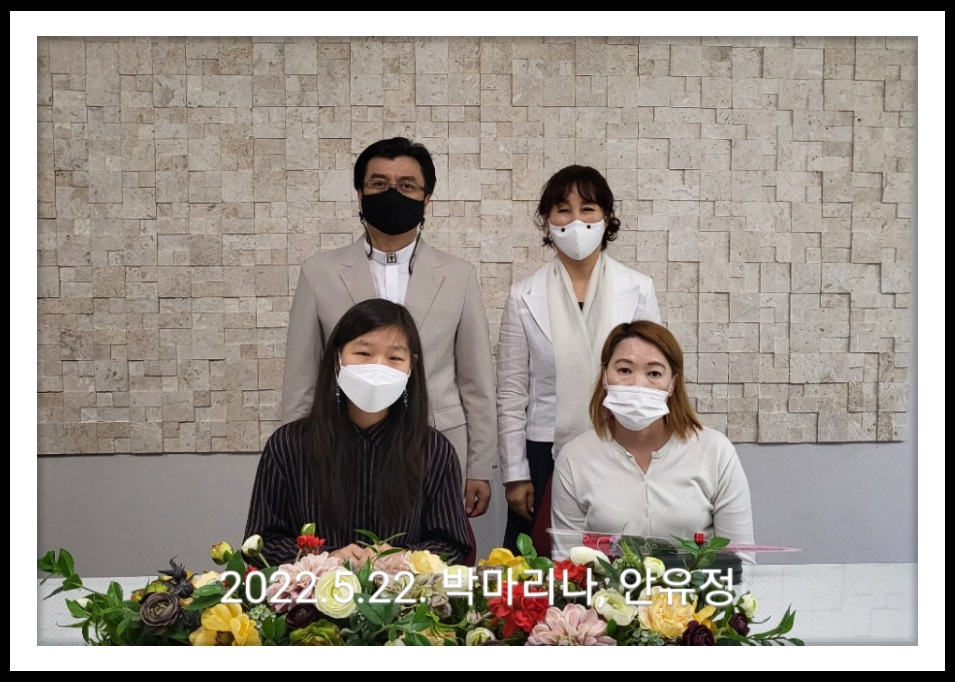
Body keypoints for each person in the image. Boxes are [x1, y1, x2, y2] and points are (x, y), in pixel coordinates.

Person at [282, 137, 496, 518]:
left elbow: (476, 382)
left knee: (433, 550)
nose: (392, 193)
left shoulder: (459, 276)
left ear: (426, 199)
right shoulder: (318, 273)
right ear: (360, 195)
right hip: (340, 448)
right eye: (379, 183)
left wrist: (480, 466)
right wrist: (292, 462)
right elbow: (301, 379)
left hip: (435, 446)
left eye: (407, 185)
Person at [496, 165, 661, 552]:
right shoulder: (523, 296)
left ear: (606, 217)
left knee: (619, 561)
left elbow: (655, 381)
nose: (575, 221)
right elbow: (511, 391)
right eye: (563, 210)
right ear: (547, 220)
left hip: (621, 443)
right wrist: (515, 474)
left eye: (587, 209)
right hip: (544, 450)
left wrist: (654, 455)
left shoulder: (638, 289)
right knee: (539, 563)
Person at [246, 299, 472, 567]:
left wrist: (402, 558)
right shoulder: (288, 445)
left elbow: (451, 544)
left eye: (394, 358)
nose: (378, 367)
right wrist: (326, 558)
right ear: (337, 358)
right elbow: (260, 543)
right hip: (311, 592)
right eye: (364, 354)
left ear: (411, 367)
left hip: (402, 592)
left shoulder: (434, 450)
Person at [550, 320, 754, 563]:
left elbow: (741, 559)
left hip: (699, 588)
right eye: (624, 370)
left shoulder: (716, 452)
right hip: (606, 588)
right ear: (604, 377)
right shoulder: (575, 457)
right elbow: (566, 562)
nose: (638, 384)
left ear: (672, 384)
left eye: (654, 373)